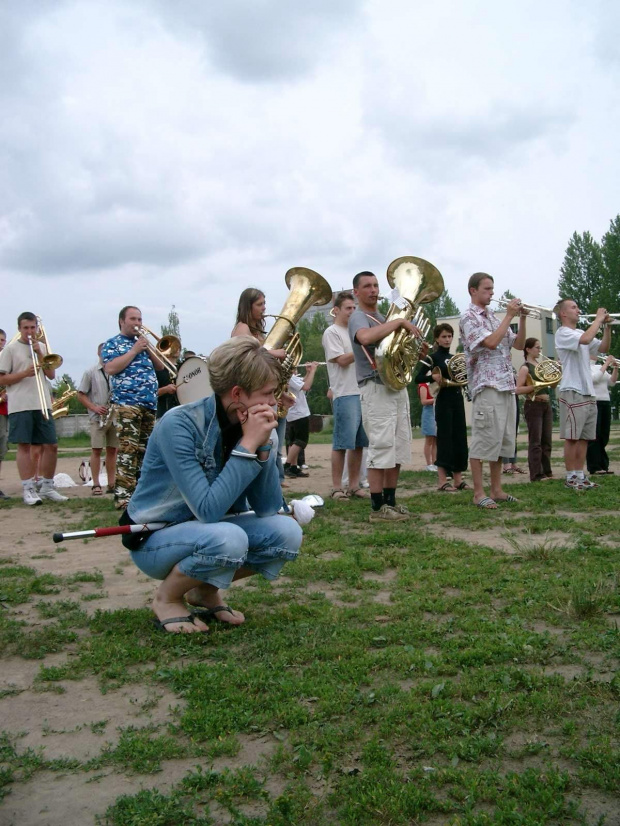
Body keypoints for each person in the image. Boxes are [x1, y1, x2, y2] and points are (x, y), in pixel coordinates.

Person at [124, 336, 303, 633]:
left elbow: (268, 507)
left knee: (287, 533)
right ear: (237, 393)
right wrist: (247, 446)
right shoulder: (178, 425)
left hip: (210, 532)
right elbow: (208, 510)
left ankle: (203, 589)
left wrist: (262, 448)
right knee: (229, 538)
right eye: (268, 393)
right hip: (155, 538)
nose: (274, 401)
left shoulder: (255, 427)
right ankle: (166, 598)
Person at [348, 270, 426, 522]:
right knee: (381, 447)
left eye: (376, 285)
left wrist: (416, 348)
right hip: (375, 387)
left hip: (394, 387)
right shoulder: (358, 316)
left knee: (399, 447)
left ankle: (391, 503)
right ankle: (377, 508)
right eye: (367, 286)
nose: (373, 290)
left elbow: (396, 353)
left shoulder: (382, 316)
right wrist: (400, 323)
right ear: (356, 292)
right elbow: (365, 337)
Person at [459, 275, 526, 509]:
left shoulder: (494, 318)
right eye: (487, 289)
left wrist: (523, 318)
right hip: (486, 385)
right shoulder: (468, 318)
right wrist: (509, 315)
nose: (492, 293)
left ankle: (496, 489)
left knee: (500, 442)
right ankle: (479, 493)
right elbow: (489, 343)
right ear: (473, 291)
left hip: (506, 385)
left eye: (492, 289)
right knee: (482, 441)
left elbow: (517, 345)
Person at [0, 312, 67, 505]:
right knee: (24, 446)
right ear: (19, 329)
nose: (30, 332)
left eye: (33, 328)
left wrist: (40, 352)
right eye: (26, 328)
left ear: (37, 328)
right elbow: (2, 379)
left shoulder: (43, 347)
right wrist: (23, 374)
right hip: (21, 404)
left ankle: (47, 486)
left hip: (42, 403)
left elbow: (51, 375)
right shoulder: (10, 350)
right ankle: (28, 488)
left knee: (52, 445)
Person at [101, 306, 163, 509]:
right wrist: (134, 350)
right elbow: (110, 368)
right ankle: (123, 496)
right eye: (133, 319)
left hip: (148, 403)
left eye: (140, 319)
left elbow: (161, 367)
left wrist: (149, 349)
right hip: (128, 403)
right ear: (121, 321)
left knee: (146, 450)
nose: (137, 323)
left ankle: (141, 493)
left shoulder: (143, 344)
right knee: (129, 449)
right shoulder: (113, 343)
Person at [554, 300, 611, 490]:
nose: (578, 310)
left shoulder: (580, 332)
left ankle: (580, 474)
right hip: (572, 389)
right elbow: (586, 340)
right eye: (573, 308)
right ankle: (570, 477)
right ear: (563, 314)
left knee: (585, 436)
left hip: (588, 390)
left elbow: (602, 348)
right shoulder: (563, 333)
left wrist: (607, 327)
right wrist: (598, 319)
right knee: (572, 436)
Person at [321, 292, 369, 499]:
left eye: (354, 308)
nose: (352, 312)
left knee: (359, 443)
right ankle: (336, 487)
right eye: (348, 308)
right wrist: (363, 345)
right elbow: (340, 360)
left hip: (363, 391)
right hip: (344, 393)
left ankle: (354, 485)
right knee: (342, 443)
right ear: (337, 310)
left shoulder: (356, 331)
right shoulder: (332, 332)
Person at [415, 323, 469, 491]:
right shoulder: (433, 358)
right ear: (437, 339)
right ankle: (441, 481)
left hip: (457, 398)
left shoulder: (455, 357)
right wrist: (433, 377)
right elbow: (418, 377)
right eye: (444, 336)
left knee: (460, 439)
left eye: (449, 336)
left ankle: (458, 479)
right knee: (444, 439)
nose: (447, 339)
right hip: (443, 400)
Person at [77, 343, 119, 496]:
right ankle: (96, 484)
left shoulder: (116, 371)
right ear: (98, 353)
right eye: (103, 352)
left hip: (114, 415)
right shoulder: (90, 372)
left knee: (113, 450)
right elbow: (80, 394)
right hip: (98, 417)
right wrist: (94, 407)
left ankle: (112, 483)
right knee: (96, 450)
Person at [515, 338, 554, 483]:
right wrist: (535, 386)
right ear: (528, 349)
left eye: (540, 347)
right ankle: (536, 474)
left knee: (547, 440)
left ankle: (547, 471)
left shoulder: (540, 365)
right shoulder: (525, 368)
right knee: (535, 441)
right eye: (537, 347)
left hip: (546, 404)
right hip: (533, 404)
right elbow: (518, 389)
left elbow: (553, 385)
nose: (539, 350)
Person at [284, 363, 319, 478]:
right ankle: (287, 466)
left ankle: (294, 467)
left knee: (293, 441)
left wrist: (308, 372)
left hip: (293, 414)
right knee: (300, 441)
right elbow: (306, 386)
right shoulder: (289, 376)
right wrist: (313, 370)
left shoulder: (289, 377)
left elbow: (302, 382)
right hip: (299, 414)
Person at [587, 353, 618, 475]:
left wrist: (615, 368)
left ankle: (603, 464)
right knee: (595, 434)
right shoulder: (586, 366)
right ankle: (594, 466)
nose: (597, 355)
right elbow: (595, 378)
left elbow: (611, 382)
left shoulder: (600, 366)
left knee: (604, 434)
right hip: (594, 401)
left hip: (605, 401)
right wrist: (607, 363)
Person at [417, 381, 437, 472]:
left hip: (436, 410)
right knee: (429, 439)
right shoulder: (423, 385)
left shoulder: (435, 384)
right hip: (429, 411)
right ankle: (429, 464)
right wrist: (436, 399)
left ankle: (435, 462)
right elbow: (424, 401)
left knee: (436, 440)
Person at [0, 329, 10, 499]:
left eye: (3, 340)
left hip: (3, 410)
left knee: (1, 449)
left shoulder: (6, 361)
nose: (1, 343)